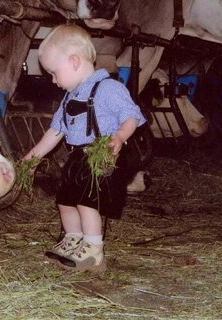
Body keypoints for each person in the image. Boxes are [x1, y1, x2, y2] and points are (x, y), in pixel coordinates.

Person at [23, 24, 147, 272]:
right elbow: (55, 131)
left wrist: (121, 137)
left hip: (103, 156)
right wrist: (32, 157)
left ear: (74, 61)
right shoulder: (70, 97)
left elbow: (131, 115)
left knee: (87, 202)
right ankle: (73, 239)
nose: (54, 81)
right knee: (65, 200)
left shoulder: (109, 88)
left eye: (54, 73)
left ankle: (93, 250)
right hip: (78, 157)